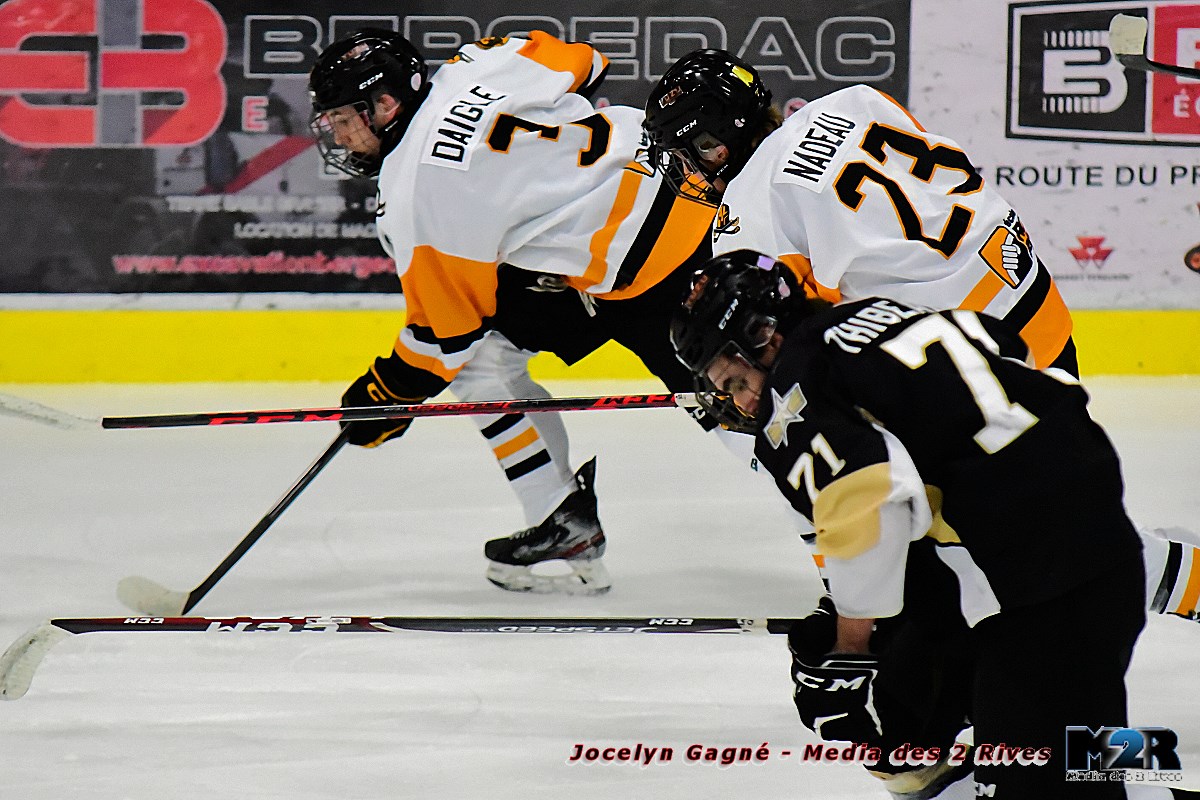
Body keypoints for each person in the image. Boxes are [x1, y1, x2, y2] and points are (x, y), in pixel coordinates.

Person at [642, 49, 1200, 624]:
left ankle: (1182, 579)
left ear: (714, 140)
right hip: (1033, 306)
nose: (690, 169)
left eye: (689, 153)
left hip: (969, 359)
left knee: (1012, 542)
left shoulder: (748, 206)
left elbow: (785, 335)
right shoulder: (854, 100)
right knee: (1034, 515)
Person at [669, 248, 1197, 799]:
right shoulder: (877, 315)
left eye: (733, 380)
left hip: (1046, 588)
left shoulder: (794, 392)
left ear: (763, 336)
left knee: (1048, 772)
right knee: (1064, 747)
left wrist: (851, 651)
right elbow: (1007, 348)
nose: (743, 401)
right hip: (1088, 543)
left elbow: (868, 501)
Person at [306, 29, 721, 594]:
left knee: (742, 409)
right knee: (487, 354)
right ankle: (560, 515)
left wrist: (385, 395)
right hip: (671, 204)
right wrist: (544, 174)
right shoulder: (480, 62)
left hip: (658, 270)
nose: (337, 136)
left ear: (383, 105)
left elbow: (442, 337)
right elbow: (588, 63)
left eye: (341, 120)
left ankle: (852, 564)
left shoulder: (415, 195)